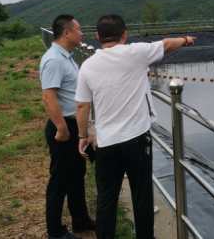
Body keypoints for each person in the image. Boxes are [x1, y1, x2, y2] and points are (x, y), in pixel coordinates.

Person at [75, 13, 196, 239]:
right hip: (137, 139)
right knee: (141, 196)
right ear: (125, 35)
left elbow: (82, 105)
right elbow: (168, 45)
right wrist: (186, 39)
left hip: (107, 142)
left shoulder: (87, 66)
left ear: (97, 36)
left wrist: (83, 136)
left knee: (106, 198)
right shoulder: (136, 52)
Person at [40, 14, 95, 239]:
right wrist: (62, 128)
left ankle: (80, 220)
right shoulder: (54, 59)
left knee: (76, 175)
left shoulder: (67, 56)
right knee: (60, 179)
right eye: (79, 29)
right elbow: (48, 98)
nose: (82, 33)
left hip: (73, 126)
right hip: (63, 127)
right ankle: (55, 231)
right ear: (66, 33)